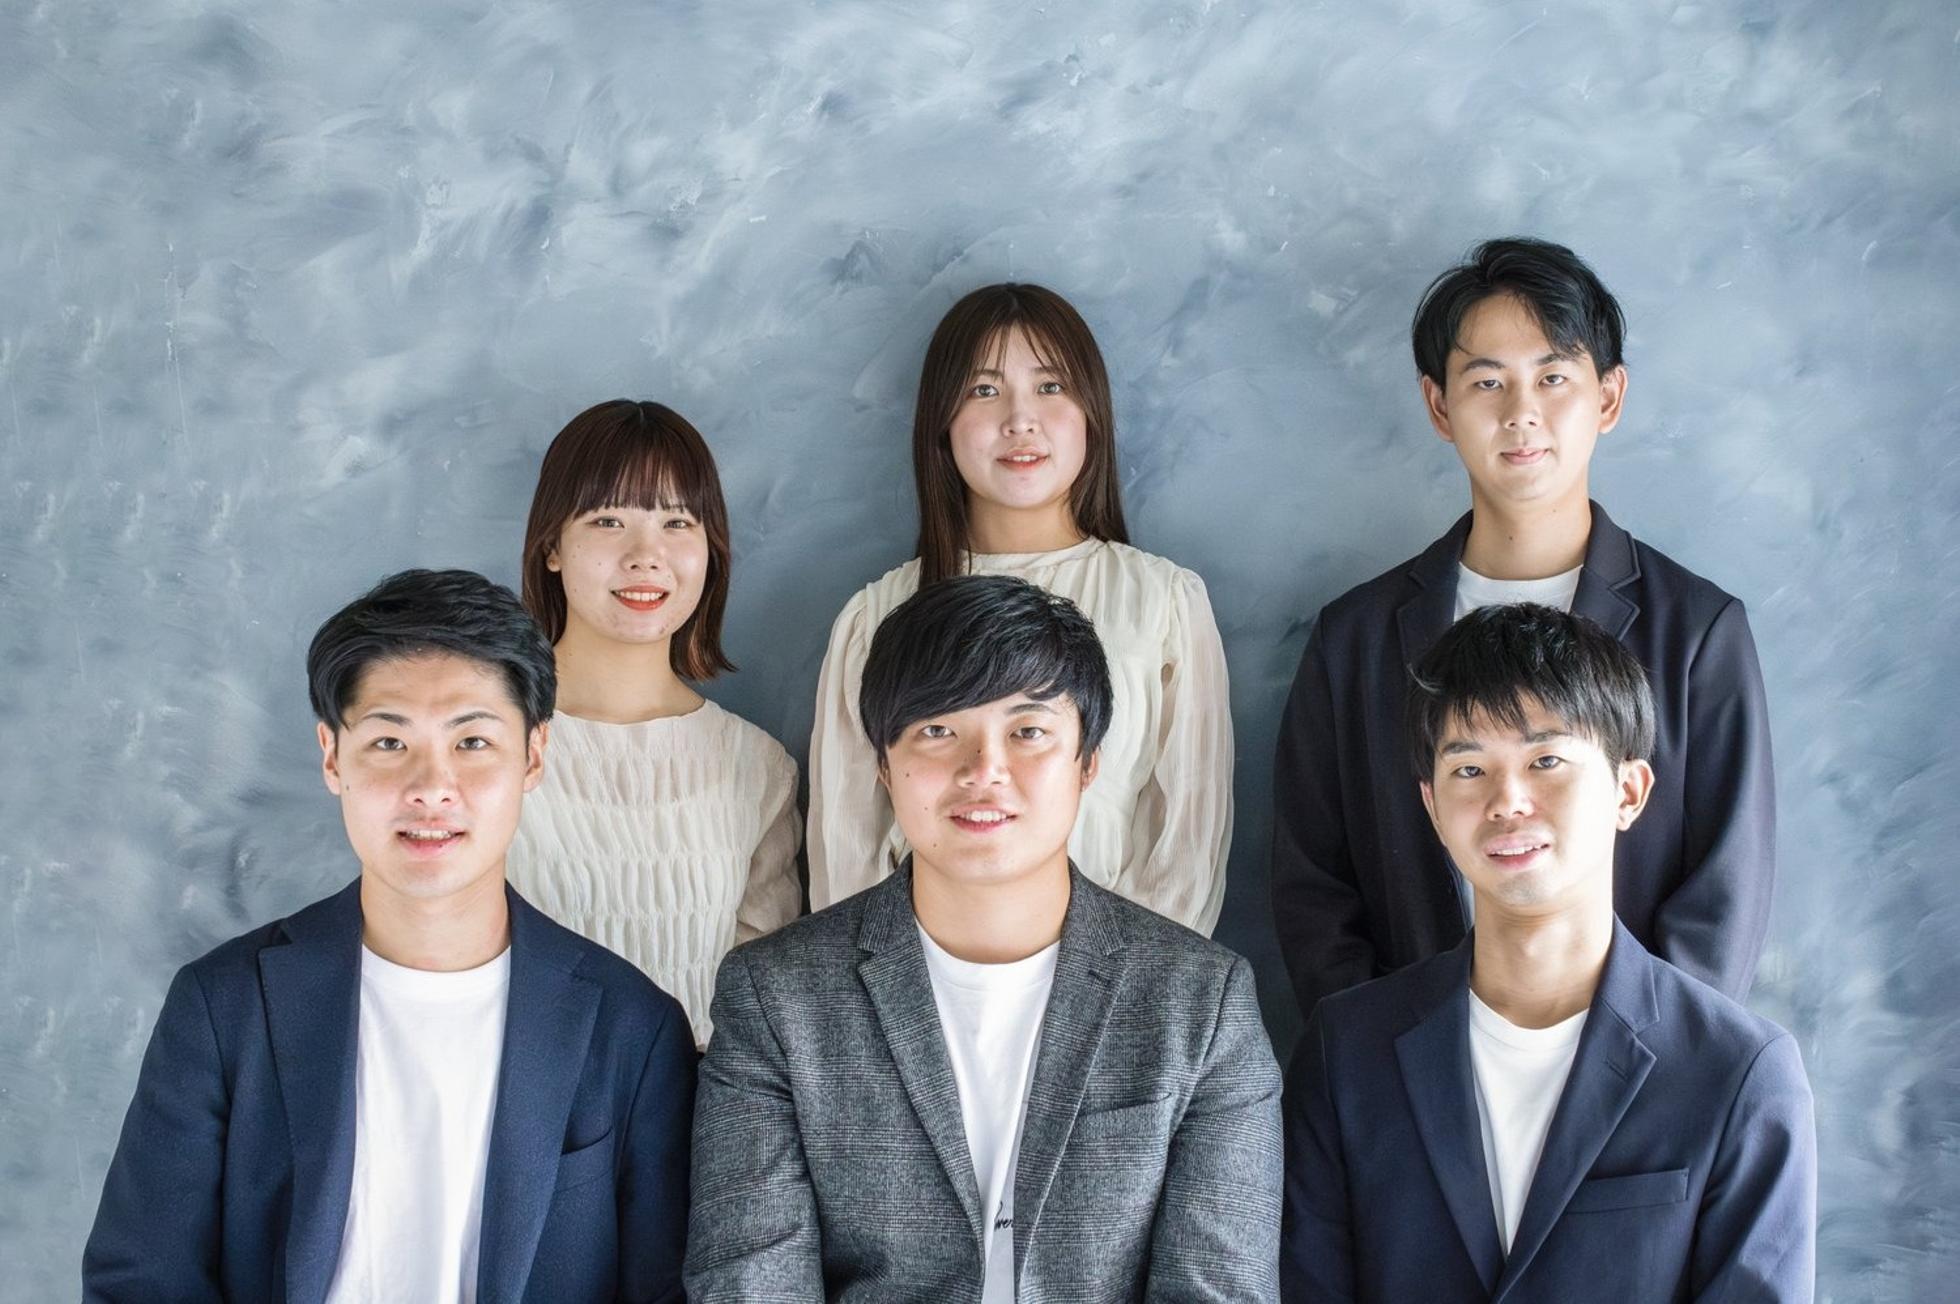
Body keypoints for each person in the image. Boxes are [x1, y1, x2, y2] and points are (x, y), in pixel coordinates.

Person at [84, 569, 695, 1303]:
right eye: (388, 741)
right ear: (331, 755)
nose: (431, 786)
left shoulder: (632, 1028)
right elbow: (142, 1280)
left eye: (473, 741)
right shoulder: (223, 1007)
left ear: (533, 755)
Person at [689, 574, 1282, 1302]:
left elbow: (1219, 1288)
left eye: (1028, 731)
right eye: (938, 730)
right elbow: (750, 1283)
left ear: (1088, 763)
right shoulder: (776, 996)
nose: (984, 771)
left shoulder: (1202, 1000)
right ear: (884, 765)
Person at [1271, 237, 1776, 1016]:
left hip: (1638, 1066)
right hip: (1408, 1065)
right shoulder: (1356, 639)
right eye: (1487, 381)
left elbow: (1724, 895)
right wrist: (1380, 1057)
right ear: (1440, 406)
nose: (1521, 413)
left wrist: (1642, 1060)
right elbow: (1315, 888)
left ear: (1608, 397)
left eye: (1552, 377)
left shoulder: (1698, 633)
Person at [1280, 603, 1814, 1303]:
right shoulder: (1346, 1051)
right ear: (1433, 808)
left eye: (1546, 760)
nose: (1507, 801)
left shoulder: (1739, 1070)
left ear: (1629, 791)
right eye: (1469, 768)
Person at [809, 283, 1234, 934]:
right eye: (984, 390)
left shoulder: (1163, 602)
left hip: (1118, 977)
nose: (1019, 420)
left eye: (1050, 386)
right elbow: (847, 856)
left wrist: (1126, 982)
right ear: (941, 422)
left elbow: (1186, 846)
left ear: (1092, 412)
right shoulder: (877, 615)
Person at [508, 399, 800, 1045]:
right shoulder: (484, 745)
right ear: (552, 545)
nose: (646, 555)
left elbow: (761, 1015)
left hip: (701, 1104)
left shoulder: (757, 768)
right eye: (608, 520)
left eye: (677, 522)